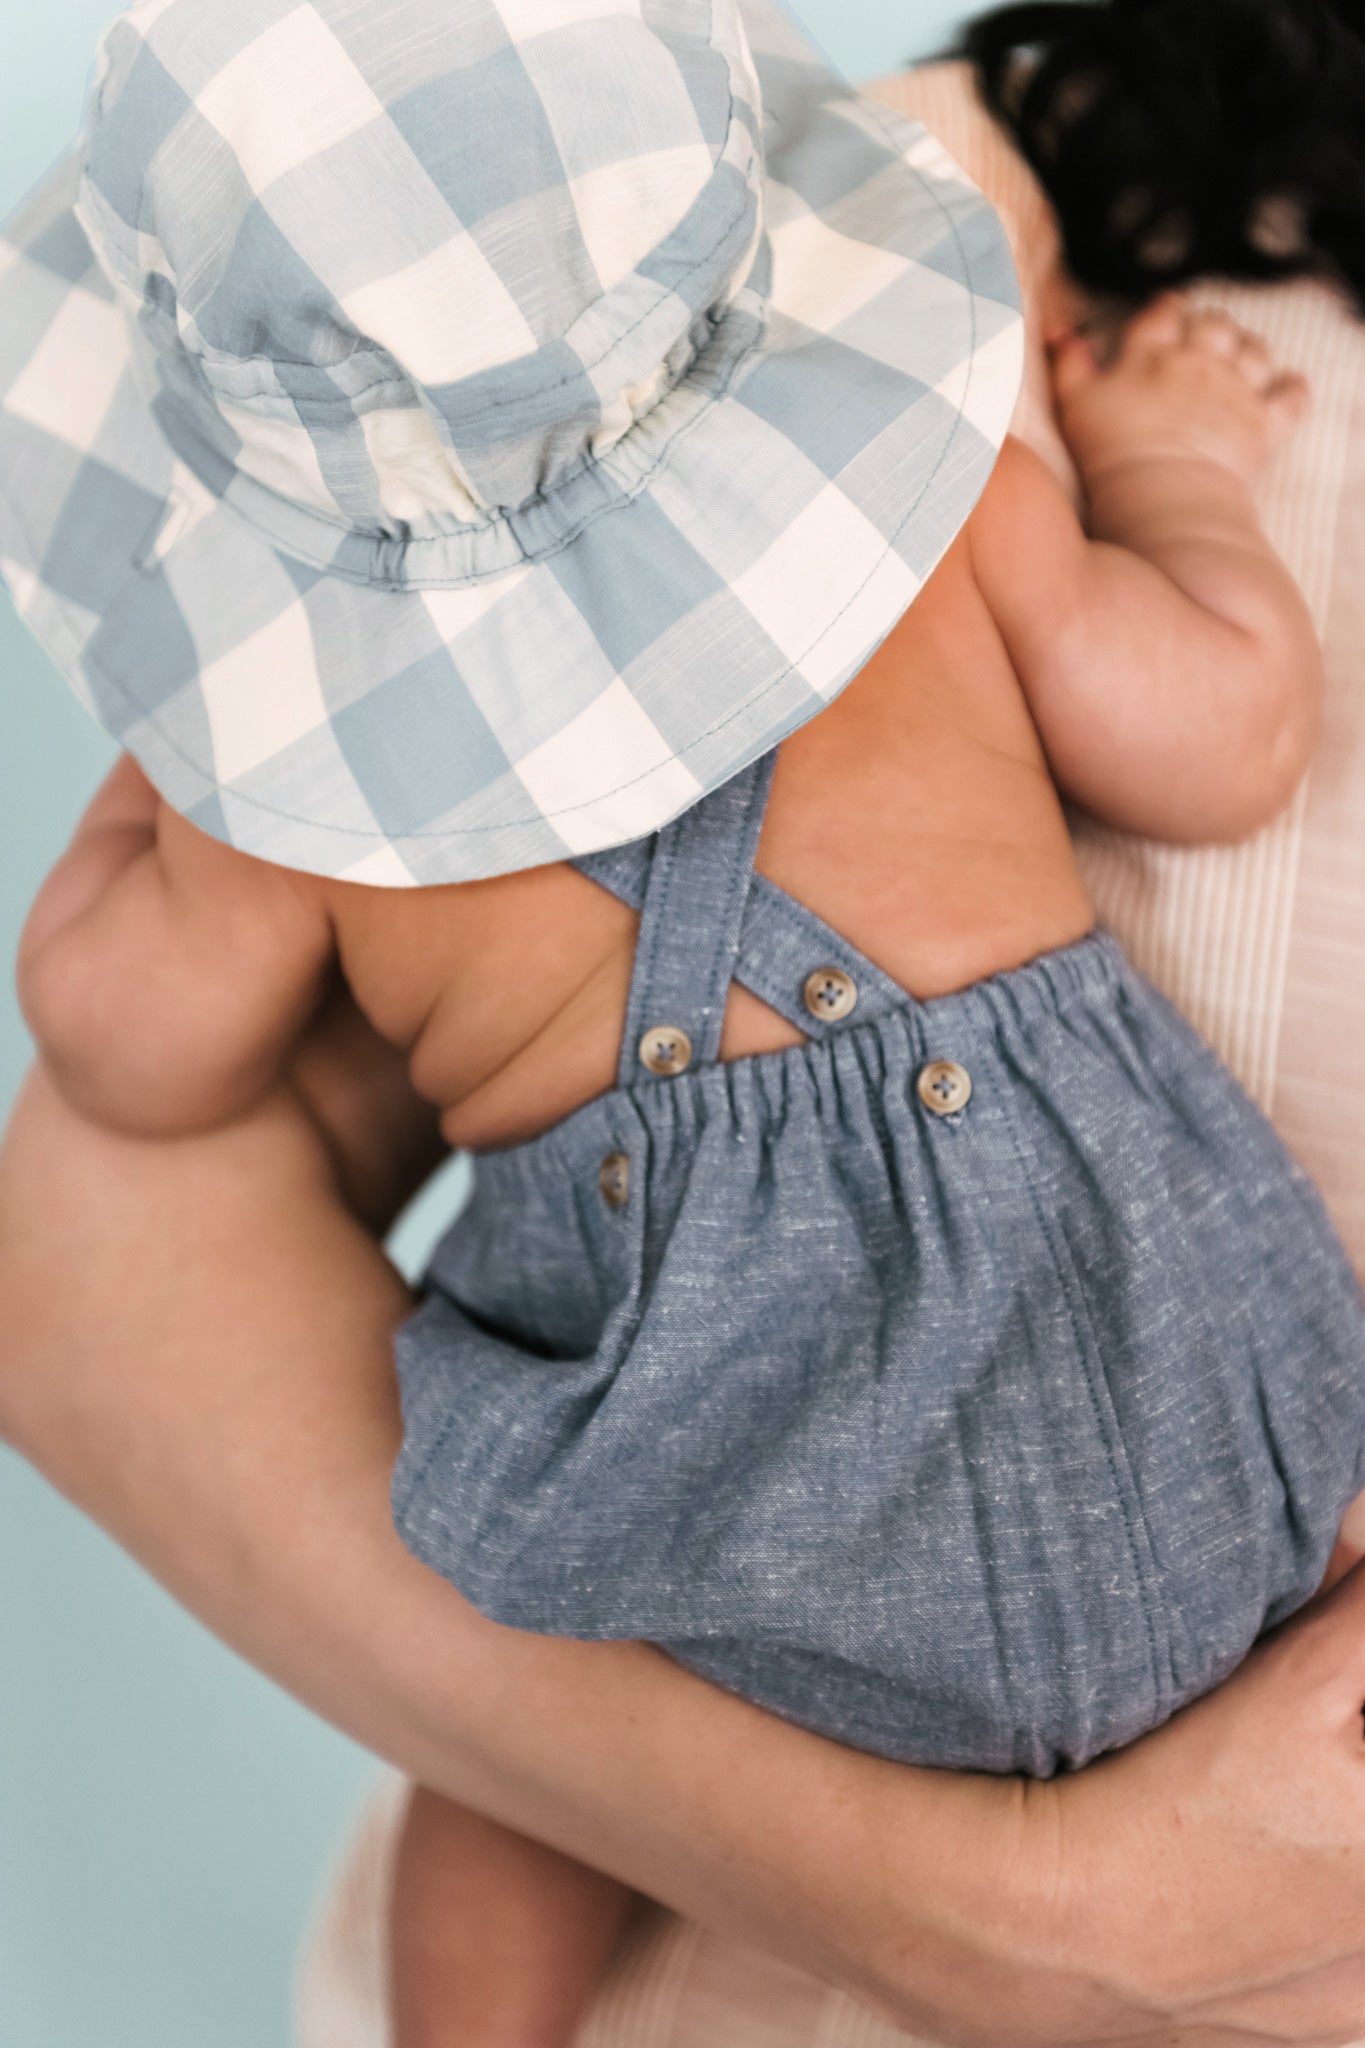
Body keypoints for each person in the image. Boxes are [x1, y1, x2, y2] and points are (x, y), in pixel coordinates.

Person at [4, 3, 1365, 2047]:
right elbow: (1221, 738)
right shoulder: (931, 481)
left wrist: (189, 759)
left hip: (689, 1452)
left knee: (532, 1752)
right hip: (1146, 1383)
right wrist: (1170, 465)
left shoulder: (300, 797)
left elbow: (130, 1056)